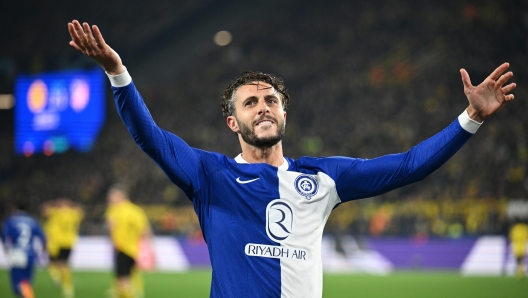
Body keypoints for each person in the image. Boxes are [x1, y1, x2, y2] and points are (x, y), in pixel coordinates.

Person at [67, 20, 517, 298]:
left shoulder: (323, 178)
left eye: (270, 100)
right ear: (233, 123)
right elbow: (151, 139)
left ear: (284, 112)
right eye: (250, 103)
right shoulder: (208, 174)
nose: (262, 106)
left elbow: (407, 165)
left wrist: (471, 117)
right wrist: (117, 72)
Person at [105, 184, 152, 298]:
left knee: (123, 278)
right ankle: (135, 291)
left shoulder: (114, 210)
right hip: (133, 248)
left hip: (121, 247)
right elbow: (145, 231)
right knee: (128, 273)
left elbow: (111, 226)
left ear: (120, 197)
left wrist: (113, 241)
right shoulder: (137, 211)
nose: (110, 201)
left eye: (112, 198)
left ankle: (127, 294)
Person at [1, 203, 46, 298]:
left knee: (17, 284)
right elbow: (43, 238)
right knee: (26, 282)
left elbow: (4, 235)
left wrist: (6, 249)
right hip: (30, 254)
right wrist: (42, 251)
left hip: (17, 253)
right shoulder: (33, 221)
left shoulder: (11, 220)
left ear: (15, 209)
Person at [41, 198, 84, 298]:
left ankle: (58, 279)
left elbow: (45, 210)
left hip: (56, 242)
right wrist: (72, 205)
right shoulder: (74, 213)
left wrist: (53, 203)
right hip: (69, 242)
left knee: (53, 262)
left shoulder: (56, 212)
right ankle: (67, 287)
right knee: (64, 264)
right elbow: (81, 211)